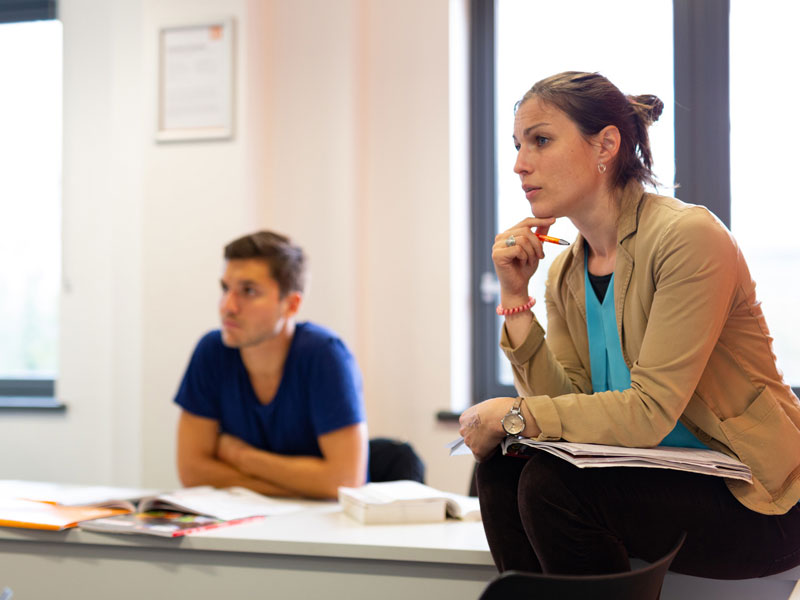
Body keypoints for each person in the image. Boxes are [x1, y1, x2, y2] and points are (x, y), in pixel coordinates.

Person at [459, 71, 800, 578]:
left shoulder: (687, 237)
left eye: (540, 140)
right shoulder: (567, 271)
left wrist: (513, 415)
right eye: (517, 145)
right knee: (501, 473)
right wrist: (515, 296)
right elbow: (565, 406)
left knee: (553, 486)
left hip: (761, 497)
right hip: (655, 475)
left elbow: (649, 413)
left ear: (606, 145)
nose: (519, 164)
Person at [174, 230, 368, 499]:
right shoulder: (212, 351)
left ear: (291, 305)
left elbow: (345, 480)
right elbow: (192, 472)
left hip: (324, 522)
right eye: (225, 288)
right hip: (247, 521)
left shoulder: (325, 355)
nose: (228, 306)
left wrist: (241, 456)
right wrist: (300, 485)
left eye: (248, 291)